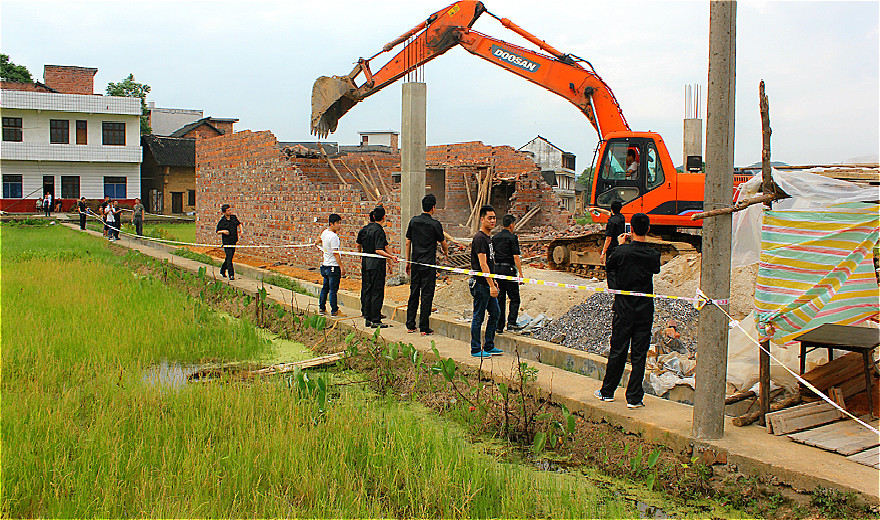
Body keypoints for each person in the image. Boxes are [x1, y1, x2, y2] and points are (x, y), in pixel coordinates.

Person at [595, 213, 661, 408]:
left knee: (618, 351)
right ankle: (634, 397)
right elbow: (655, 270)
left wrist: (621, 245)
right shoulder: (653, 255)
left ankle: (607, 391)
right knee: (639, 354)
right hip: (644, 310)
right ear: (648, 229)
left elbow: (609, 265)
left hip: (623, 309)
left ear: (630, 229)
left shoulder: (621, 252)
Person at [405, 194, 448, 335]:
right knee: (427, 295)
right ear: (433, 207)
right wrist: (446, 253)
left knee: (414, 293)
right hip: (428, 265)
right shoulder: (435, 224)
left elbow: (408, 241)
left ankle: (410, 324)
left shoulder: (413, 221)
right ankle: (424, 327)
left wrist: (408, 261)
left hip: (415, 262)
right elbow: (443, 243)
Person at [470, 205, 503, 358]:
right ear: (482, 219)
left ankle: (489, 345)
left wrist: (494, 281)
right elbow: (483, 264)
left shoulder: (489, 238)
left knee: (495, 313)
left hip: (489, 283)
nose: (492, 221)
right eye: (489, 218)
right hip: (481, 285)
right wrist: (491, 285)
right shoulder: (479, 238)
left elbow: (490, 263)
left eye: (494, 218)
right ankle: (476, 349)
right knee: (478, 316)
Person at [357, 206, 397, 328]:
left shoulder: (364, 229)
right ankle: (376, 320)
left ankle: (367, 317)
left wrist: (361, 256)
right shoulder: (379, 231)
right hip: (376, 265)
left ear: (373, 217)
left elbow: (358, 244)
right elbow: (379, 250)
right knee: (377, 291)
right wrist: (391, 257)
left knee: (366, 289)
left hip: (366, 264)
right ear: (384, 217)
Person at [492, 214, 524, 333]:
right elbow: (516, 257)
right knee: (514, 298)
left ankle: (499, 326)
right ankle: (511, 323)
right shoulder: (512, 238)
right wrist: (520, 273)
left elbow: (492, 256)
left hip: (497, 270)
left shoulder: (495, 237)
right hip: (508, 270)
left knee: (501, 298)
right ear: (511, 225)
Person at [319, 213, 345, 316]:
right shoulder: (334, 237)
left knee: (325, 287)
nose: (339, 225)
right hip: (333, 266)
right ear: (331, 224)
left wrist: (317, 243)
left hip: (325, 265)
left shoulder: (325, 232)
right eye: (337, 223)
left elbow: (318, 240)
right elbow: (336, 253)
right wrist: (341, 267)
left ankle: (322, 308)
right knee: (333, 289)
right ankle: (334, 310)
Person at [600, 200, 626, 288]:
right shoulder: (621, 217)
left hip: (612, 248)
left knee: (610, 270)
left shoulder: (611, 222)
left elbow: (608, 238)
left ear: (612, 209)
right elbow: (608, 213)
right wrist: (597, 209)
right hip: (620, 246)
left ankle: (612, 290)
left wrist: (603, 253)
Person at [216, 204, 242, 280]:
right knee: (229, 258)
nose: (230, 211)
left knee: (229, 257)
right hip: (226, 242)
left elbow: (239, 224)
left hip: (233, 240)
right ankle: (231, 274)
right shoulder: (222, 221)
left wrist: (241, 230)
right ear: (224, 212)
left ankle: (222, 269)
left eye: (230, 210)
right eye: (228, 210)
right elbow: (217, 231)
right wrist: (223, 231)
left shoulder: (233, 218)